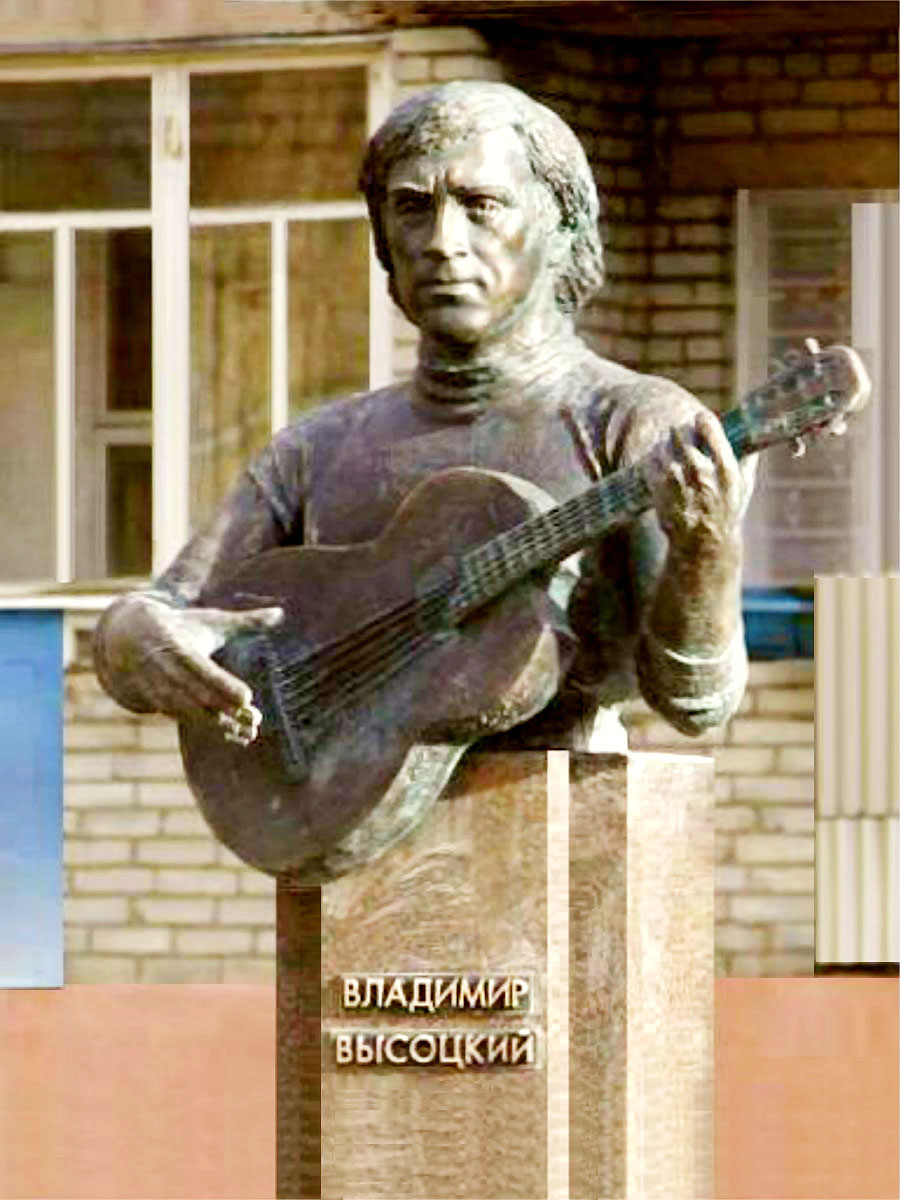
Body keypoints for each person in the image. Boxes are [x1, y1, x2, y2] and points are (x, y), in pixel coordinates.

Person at [95, 80, 755, 763]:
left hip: (563, 788)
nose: (443, 242)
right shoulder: (316, 448)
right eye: (413, 208)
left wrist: (707, 555)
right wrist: (134, 639)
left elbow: (696, 703)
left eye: (481, 205)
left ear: (561, 228)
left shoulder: (638, 424)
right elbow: (165, 607)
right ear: (383, 239)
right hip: (333, 791)